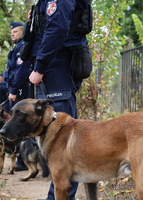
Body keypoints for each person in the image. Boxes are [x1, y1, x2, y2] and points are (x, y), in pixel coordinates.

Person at [27, 0, 91, 199]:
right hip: (53, 66)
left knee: (62, 138)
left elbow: (58, 28)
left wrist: (40, 66)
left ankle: (60, 196)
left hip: (56, 66)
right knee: (55, 139)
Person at [4, 22, 32, 171]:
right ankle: (22, 159)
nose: (12, 34)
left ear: (22, 32)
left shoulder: (22, 47)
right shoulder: (17, 47)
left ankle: (23, 160)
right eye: (11, 32)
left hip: (21, 91)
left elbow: (21, 70)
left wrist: (13, 90)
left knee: (20, 125)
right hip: (17, 90)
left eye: (15, 31)